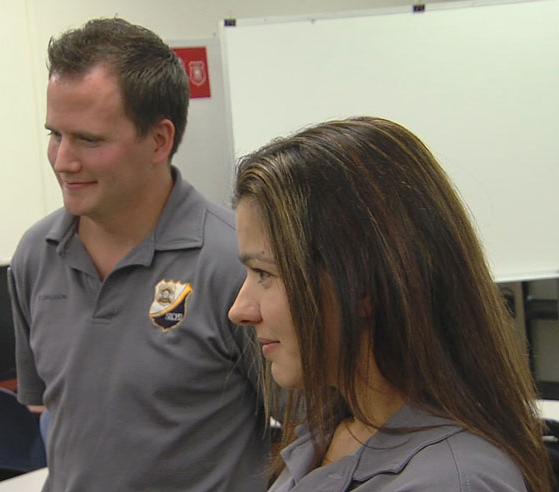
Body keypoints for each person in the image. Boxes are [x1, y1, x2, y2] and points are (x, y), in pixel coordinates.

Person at [9, 18, 269, 491]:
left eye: (88, 139)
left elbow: (310, 430)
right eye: (55, 134)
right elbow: (50, 410)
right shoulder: (35, 255)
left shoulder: (237, 262)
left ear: (159, 140)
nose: (63, 161)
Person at [228, 116, 553, 491]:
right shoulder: (338, 431)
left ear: (364, 284)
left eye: (264, 273)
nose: (240, 309)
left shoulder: (451, 481)